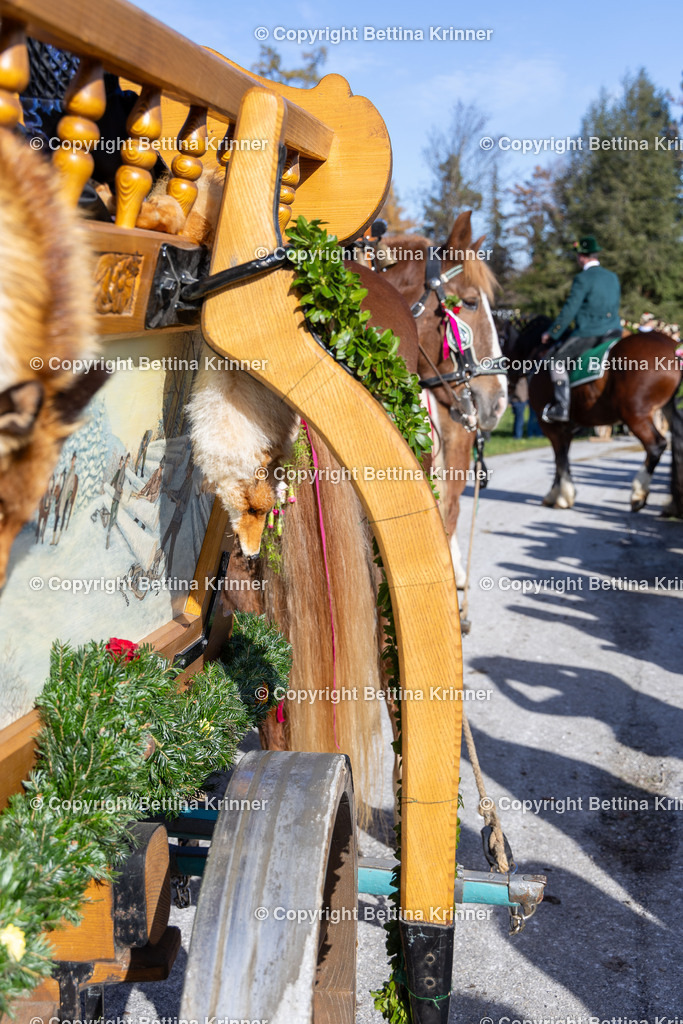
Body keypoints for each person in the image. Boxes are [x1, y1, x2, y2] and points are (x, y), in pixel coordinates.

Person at [540, 236, 621, 423]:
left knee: (557, 362)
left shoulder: (583, 278)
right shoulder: (612, 277)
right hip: (614, 330)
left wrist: (553, 332)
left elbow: (570, 309)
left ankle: (561, 408)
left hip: (590, 332)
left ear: (582, 257)